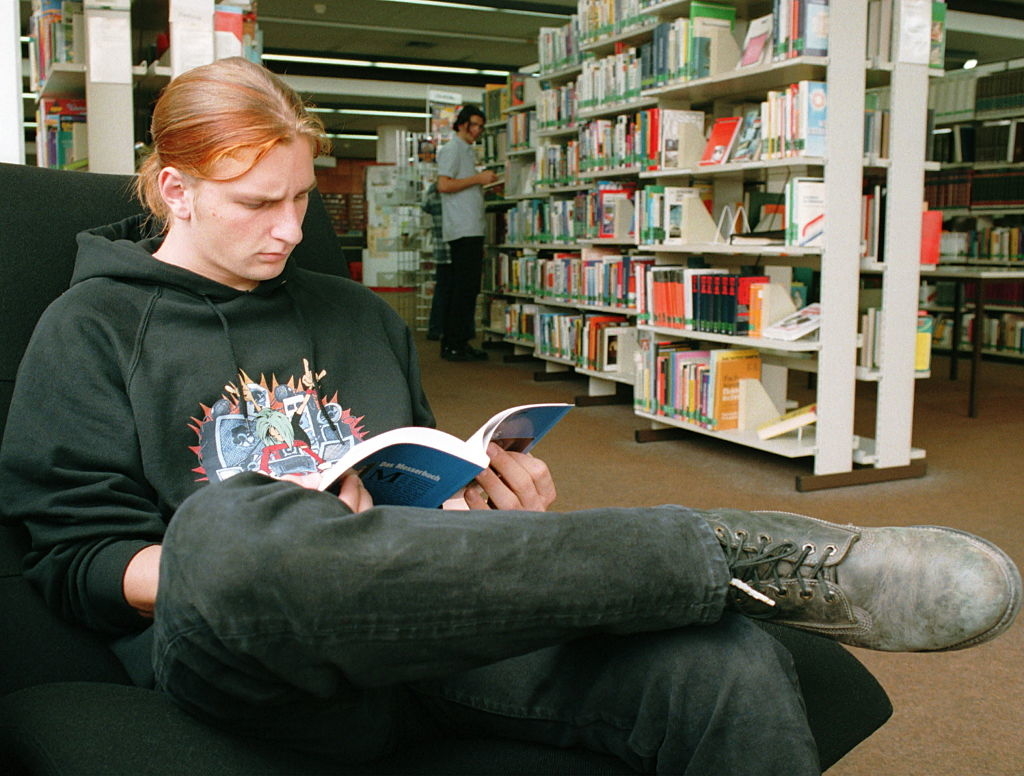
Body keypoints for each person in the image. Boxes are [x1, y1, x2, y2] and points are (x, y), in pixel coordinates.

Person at [0, 58, 1019, 775]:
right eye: (257, 203)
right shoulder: (91, 325)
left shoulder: (355, 312)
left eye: (303, 198)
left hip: (428, 635)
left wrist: (487, 505)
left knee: (720, 662)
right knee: (226, 525)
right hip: (255, 659)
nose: (292, 230)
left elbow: (417, 488)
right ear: (174, 188)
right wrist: (298, 541)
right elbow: (75, 559)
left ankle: (724, 579)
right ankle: (733, 556)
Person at [435, 104, 497, 361]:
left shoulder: (467, 151)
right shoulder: (453, 149)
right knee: (463, 288)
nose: (478, 131)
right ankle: (454, 343)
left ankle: (459, 341)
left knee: (467, 288)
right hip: (462, 229)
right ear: (461, 124)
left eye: (481, 127)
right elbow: (444, 184)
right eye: (474, 125)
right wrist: (478, 180)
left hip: (469, 227)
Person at [421, 181, 450, 340]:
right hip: (455, 248)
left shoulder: (434, 191)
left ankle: (436, 328)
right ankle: (449, 329)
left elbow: (425, 205)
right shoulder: (455, 195)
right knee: (457, 292)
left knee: (441, 291)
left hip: (441, 249)